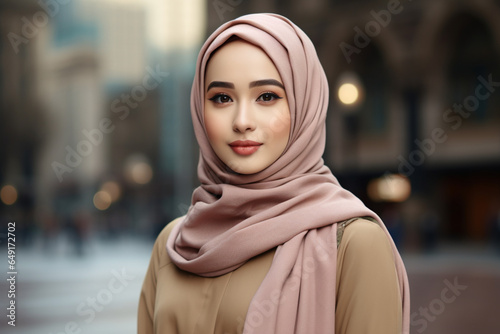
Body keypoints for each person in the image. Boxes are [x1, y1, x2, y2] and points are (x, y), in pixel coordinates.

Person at [138, 13, 410, 334]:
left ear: (303, 104)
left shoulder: (355, 245)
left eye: (267, 96)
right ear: (200, 109)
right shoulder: (172, 244)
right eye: (221, 98)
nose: (242, 120)